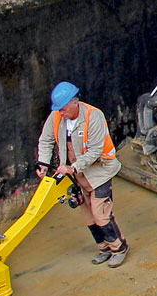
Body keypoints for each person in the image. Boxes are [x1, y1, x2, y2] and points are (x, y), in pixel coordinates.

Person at [36, 81, 129, 267]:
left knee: (100, 213)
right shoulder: (56, 117)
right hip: (78, 176)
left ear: (74, 103)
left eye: (63, 109)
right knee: (88, 215)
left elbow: (95, 151)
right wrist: (43, 163)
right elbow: (46, 140)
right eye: (58, 110)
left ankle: (119, 248)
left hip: (99, 172)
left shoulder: (94, 117)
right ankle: (104, 249)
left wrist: (72, 168)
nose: (60, 113)